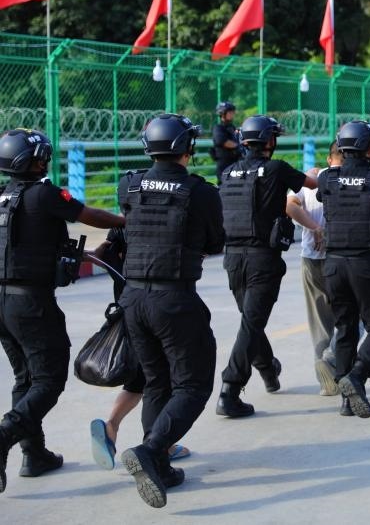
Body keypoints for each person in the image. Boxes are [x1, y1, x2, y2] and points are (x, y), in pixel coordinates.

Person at [0, 128, 124, 494]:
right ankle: (5, 434)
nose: (46, 161)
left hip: (3, 302)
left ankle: (34, 454)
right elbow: (89, 215)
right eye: (42, 155)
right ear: (31, 160)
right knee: (49, 380)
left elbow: (29, 243)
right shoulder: (46, 194)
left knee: (25, 378)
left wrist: (88, 256)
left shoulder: (4, 197)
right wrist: (126, 221)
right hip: (31, 303)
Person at [113, 114, 223, 508]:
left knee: (157, 381)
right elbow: (215, 241)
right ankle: (150, 450)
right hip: (174, 299)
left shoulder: (129, 183)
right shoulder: (200, 191)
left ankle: (159, 465)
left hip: (133, 299)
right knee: (193, 385)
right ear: (186, 148)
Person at [217, 115, 317, 418]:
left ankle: (268, 368)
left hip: (233, 258)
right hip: (262, 258)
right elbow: (313, 184)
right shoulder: (277, 168)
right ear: (270, 141)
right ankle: (229, 390)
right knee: (251, 323)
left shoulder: (227, 172)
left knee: (251, 320)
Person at [318, 121, 370, 418]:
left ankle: (346, 400)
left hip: (334, 266)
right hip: (366, 263)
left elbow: (323, 197)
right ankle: (357, 375)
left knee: (345, 328)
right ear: (369, 148)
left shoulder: (327, 177)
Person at [88, 229, 191, 470]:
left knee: (139, 380)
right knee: (160, 381)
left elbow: (106, 253)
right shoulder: (163, 218)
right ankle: (160, 445)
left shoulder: (122, 225)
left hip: (128, 307)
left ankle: (111, 426)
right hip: (158, 305)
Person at [286, 142, 344, 396]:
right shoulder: (354, 180)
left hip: (311, 259)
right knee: (356, 316)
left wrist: (314, 228)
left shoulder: (312, 179)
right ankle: (333, 358)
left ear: (329, 159)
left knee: (320, 322)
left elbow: (290, 206)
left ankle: (326, 382)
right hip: (341, 260)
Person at [212, 101, 241, 184]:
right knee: (224, 185)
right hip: (224, 164)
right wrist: (239, 146)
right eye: (230, 112)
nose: (233, 114)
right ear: (223, 113)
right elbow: (222, 141)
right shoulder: (218, 128)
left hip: (235, 162)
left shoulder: (232, 128)